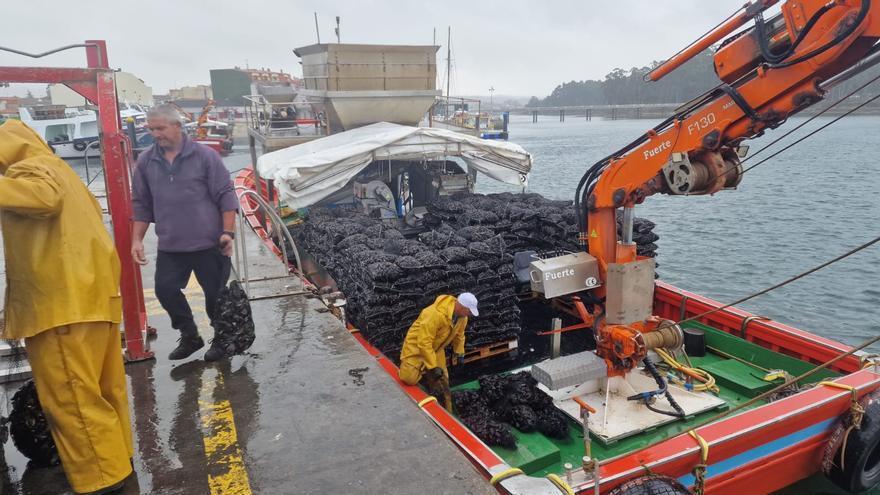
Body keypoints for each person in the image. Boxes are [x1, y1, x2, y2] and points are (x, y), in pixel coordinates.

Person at [0, 120, 133, 494]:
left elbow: (43, 198)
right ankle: (118, 461)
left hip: (61, 306)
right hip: (94, 298)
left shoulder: (29, 170)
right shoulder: (66, 173)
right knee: (104, 391)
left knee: (72, 398)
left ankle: (101, 478)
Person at [131, 104, 239, 361]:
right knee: (165, 291)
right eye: (151, 129)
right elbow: (141, 203)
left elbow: (226, 195)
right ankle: (190, 335)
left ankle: (222, 341)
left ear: (177, 126)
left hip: (209, 243)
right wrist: (136, 240)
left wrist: (228, 232)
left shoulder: (206, 156)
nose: (156, 134)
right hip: (171, 244)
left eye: (160, 128)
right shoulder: (146, 161)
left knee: (215, 297)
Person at [398, 293, 479, 408]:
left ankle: (447, 408)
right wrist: (432, 367)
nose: (470, 315)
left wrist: (459, 353)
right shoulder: (434, 314)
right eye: (469, 311)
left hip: (437, 349)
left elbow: (459, 336)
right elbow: (424, 342)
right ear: (461, 307)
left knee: (443, 380)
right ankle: (417, 372)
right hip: (416, 346)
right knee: (408, 379)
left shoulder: (462, 318)